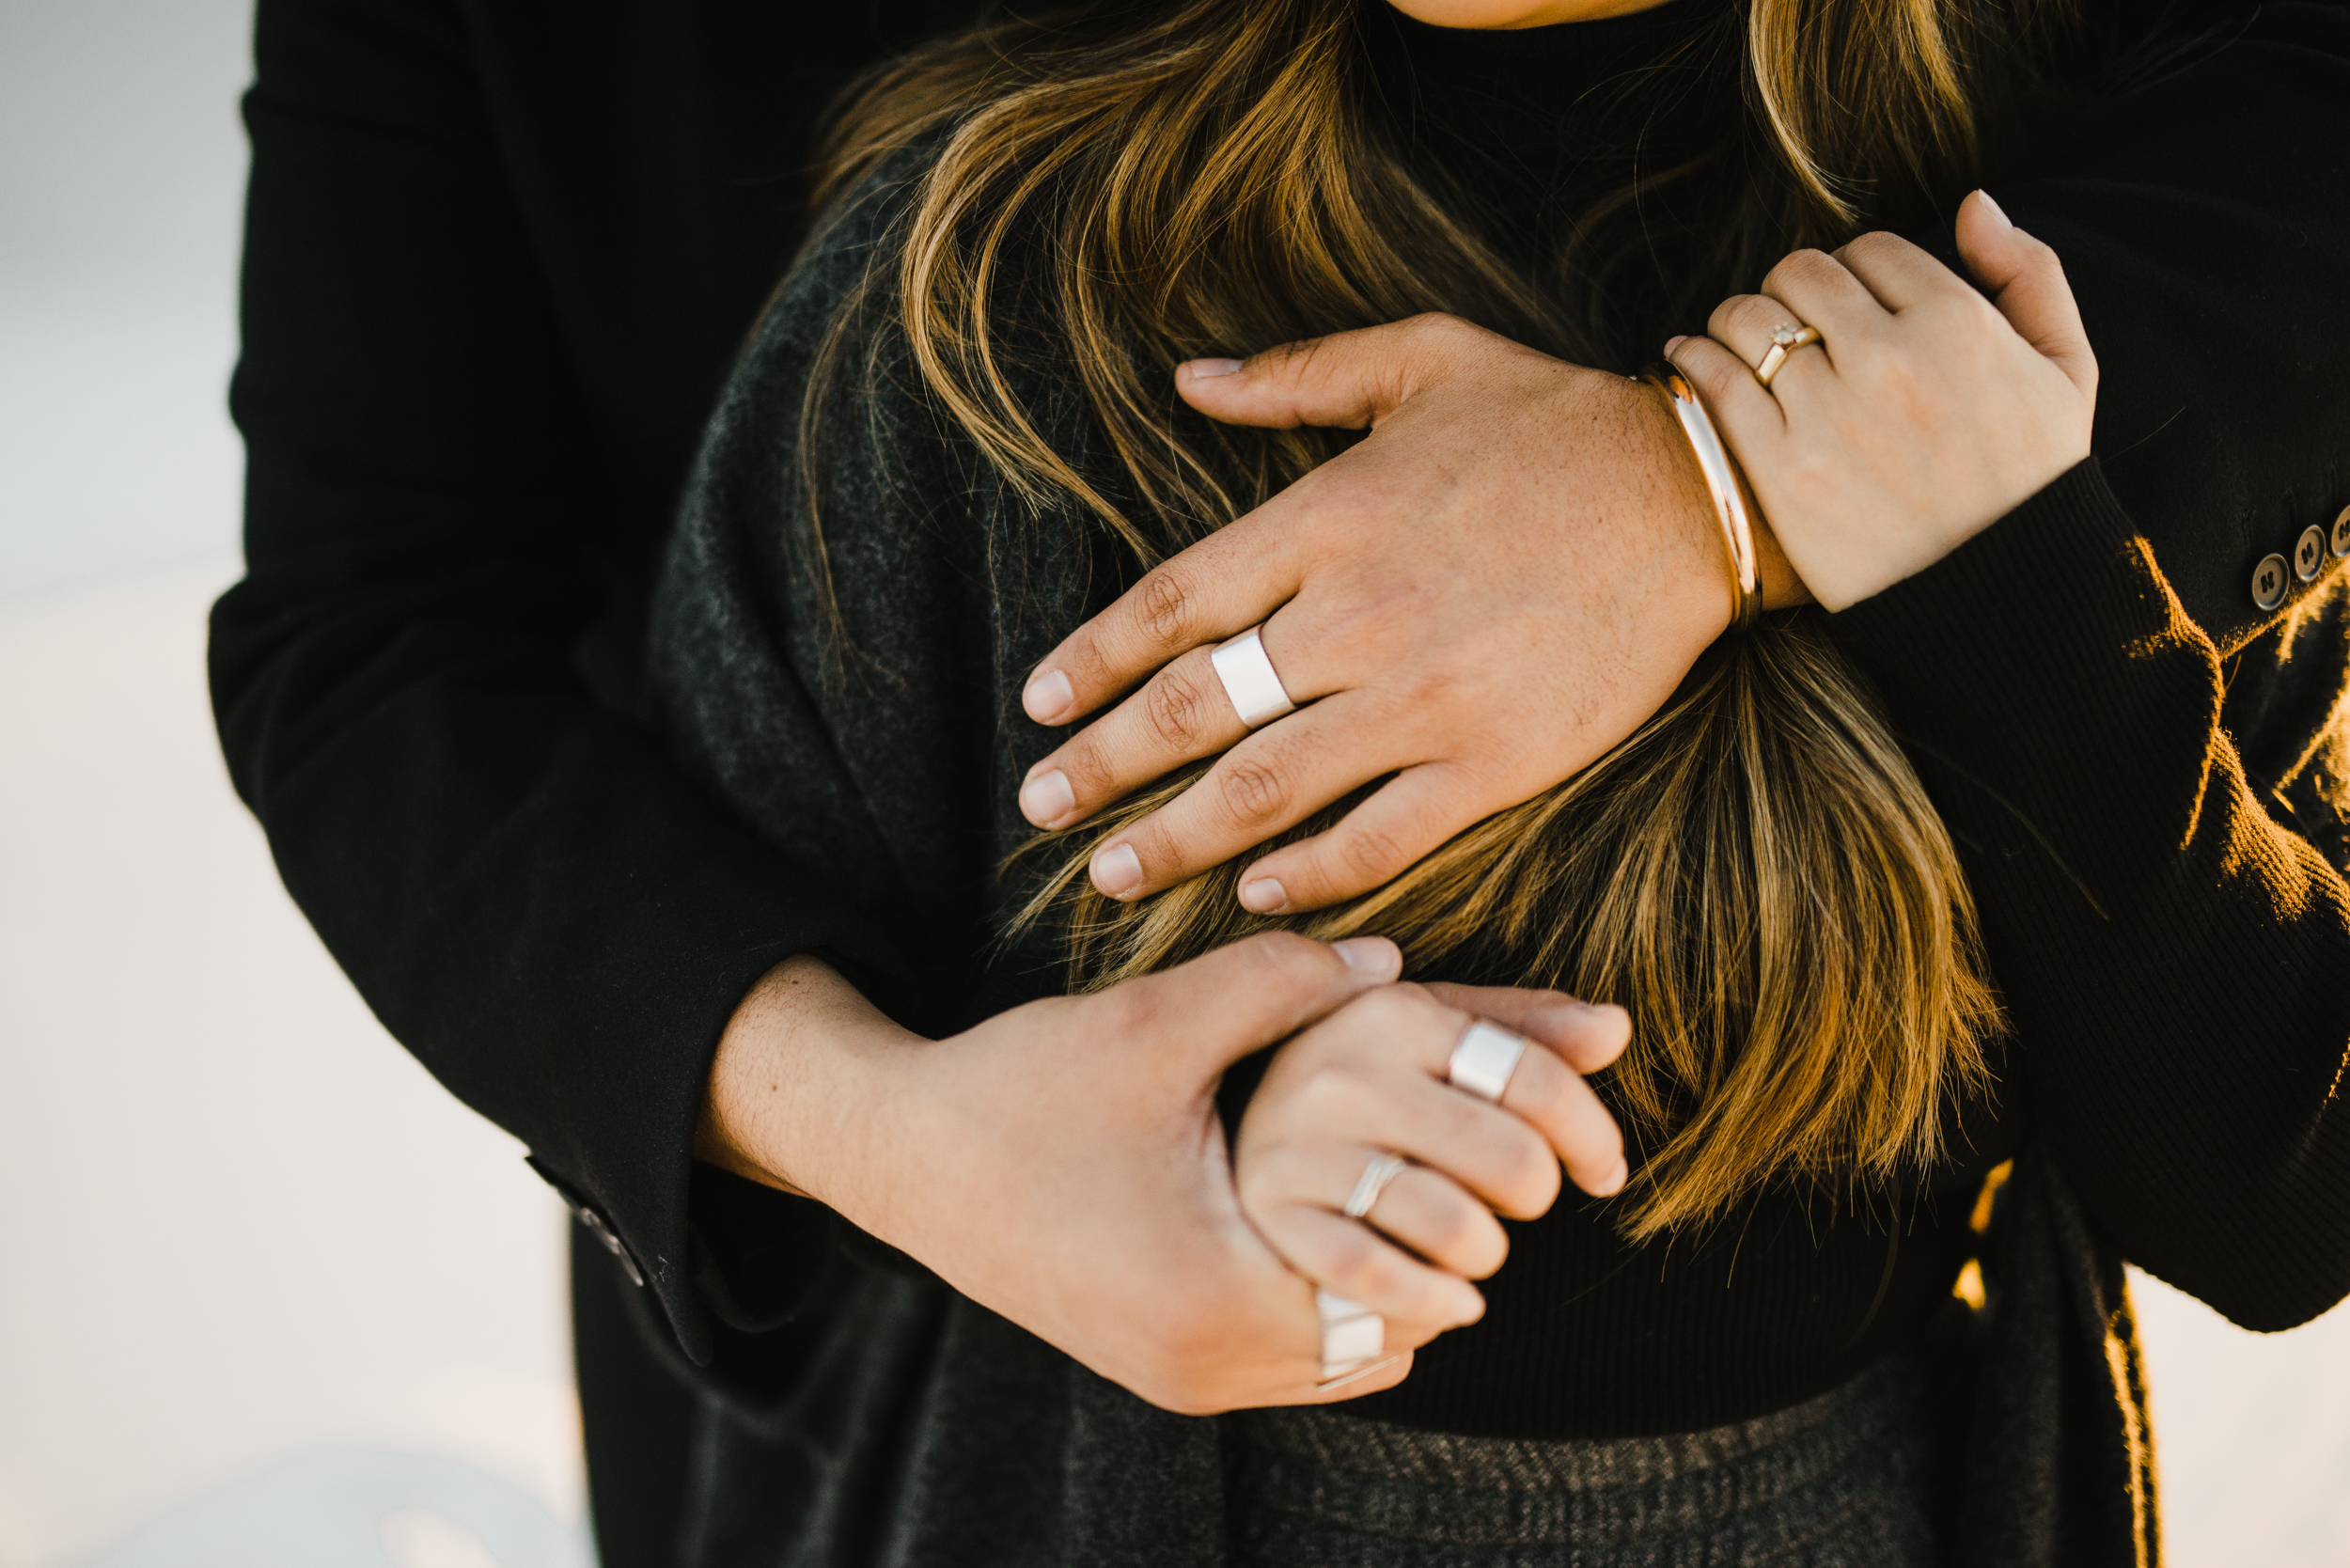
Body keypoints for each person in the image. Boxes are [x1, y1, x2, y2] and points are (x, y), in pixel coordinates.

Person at [210, 0, 2350, 1560]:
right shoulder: (980, 302)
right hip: (977, 1406)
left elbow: (2270, 1156)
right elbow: (380, 640)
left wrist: (1740, 486)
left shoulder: (2008, 209)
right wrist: (919, 1129)